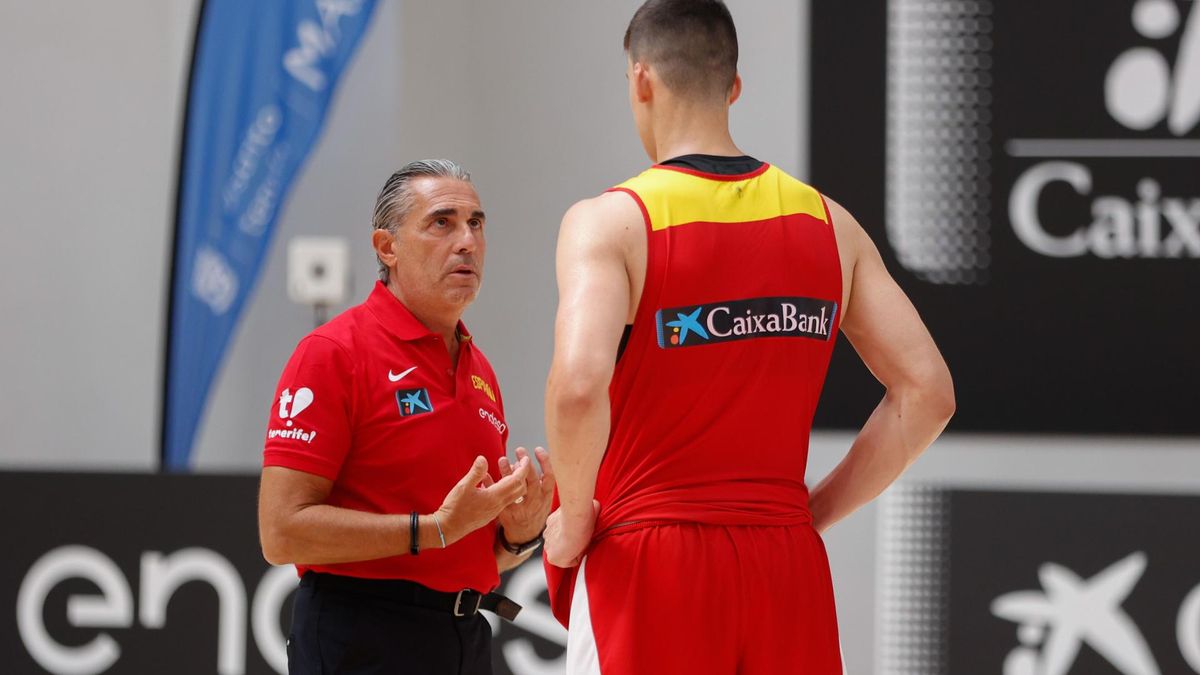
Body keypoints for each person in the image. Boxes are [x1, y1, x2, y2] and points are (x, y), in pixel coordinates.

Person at [542, 1, 956, 673]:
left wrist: (577, 517)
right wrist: (812, 511)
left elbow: (579, 385)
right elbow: (929, 392)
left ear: (640, 80)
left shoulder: (611, 223)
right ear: (734, 86)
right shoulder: (830, 223)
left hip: (651, 563)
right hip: (784, 565)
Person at [258, 159, 555, 675]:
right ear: (387, 247)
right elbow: (280, 532)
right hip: (363, 636)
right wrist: (431, 528)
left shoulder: (479, 367)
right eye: (442, 222)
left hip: (465, 636)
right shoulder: (333, 352)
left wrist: (519, 535)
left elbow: (463, 546)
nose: (466, 241)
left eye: (476, 223)